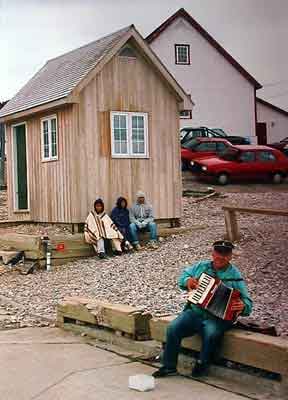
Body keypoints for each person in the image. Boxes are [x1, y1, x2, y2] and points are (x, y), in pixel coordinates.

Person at [152, 240, 253, 378]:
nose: (220, 257)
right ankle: (169, 366)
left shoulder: (235, 276)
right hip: (196, 312)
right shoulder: (201, 266)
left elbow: (247, 303)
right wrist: (188, 281)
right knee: (173, 328)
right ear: (213, 253)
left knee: (211, 333)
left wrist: (243, 306)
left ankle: (202, 363)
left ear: (230, 256)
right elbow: (183, 277)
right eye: (218, 253)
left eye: (225, 254)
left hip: (217, 318)